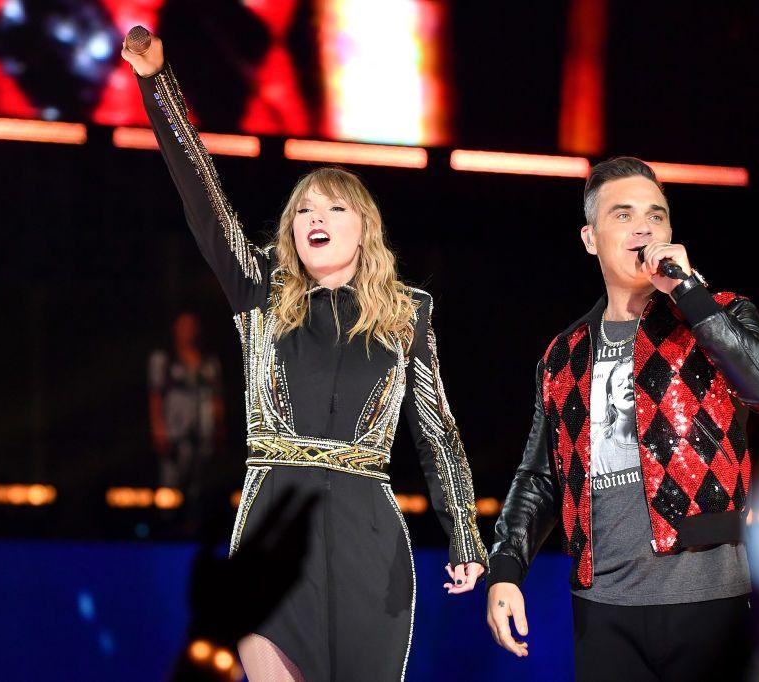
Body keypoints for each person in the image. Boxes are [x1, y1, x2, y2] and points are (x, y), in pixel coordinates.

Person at [122, 30, 488, 682]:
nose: (313, 216)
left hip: (369, 542)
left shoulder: (409, 312)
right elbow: (201, 194)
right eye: (302, 209)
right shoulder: (259, 291)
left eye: (333, 205)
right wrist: (157, 82)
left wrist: (464, 533)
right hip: (271, 533)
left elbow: (438, 432)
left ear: (363, 227)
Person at [486, 157, 759, 681]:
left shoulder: (719, 313)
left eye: (657, 215)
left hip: (708, 598)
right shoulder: (564, 355)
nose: (644, 226)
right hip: (602, 606)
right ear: (590, 238)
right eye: (623, 215)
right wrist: (506, 569)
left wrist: (689, 293)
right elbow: (538, 477)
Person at [148, 312, 225, 499]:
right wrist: (158, 427)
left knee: (199, 485)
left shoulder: (209, 362)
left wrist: (219, 428)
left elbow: (216, 397)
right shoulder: (165, 360)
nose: (187, 331)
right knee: (171, 485)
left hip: (202, 433)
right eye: (183, 326)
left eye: (191, 326)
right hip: (175, 432)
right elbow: (156, 394)